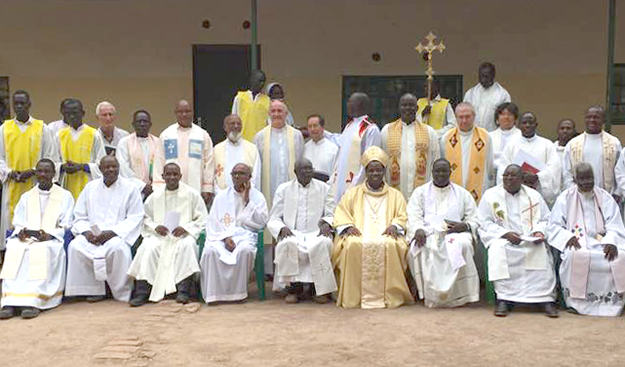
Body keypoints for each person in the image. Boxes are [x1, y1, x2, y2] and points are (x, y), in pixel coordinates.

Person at [331, 146, 413, 308]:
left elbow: (403, 215)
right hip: (359, 232)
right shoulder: (353, 193)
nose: (375, 174)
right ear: (366, 172)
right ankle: (354, 296)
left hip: (387, 233)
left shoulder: (395, 195)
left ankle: (390, 295)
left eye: (378, 170)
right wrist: (347, 227)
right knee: (352, 244)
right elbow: (341, 212)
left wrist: (395, 226)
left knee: (391, 244)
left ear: (384, 172)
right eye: (371, 170)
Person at [478, 165, 558, 317]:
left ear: (522, 179)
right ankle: (504, 300)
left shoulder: (534, 195)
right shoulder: (491, 195)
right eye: (506, 175)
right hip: (503, 239)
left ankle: (545, 299)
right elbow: (484, 222)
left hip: (530, 239)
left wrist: (538, 232)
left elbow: (546, 219)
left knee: (540, 251)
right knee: (499, 250)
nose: (508, 179)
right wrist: (505, 234)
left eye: (513, 176)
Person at [0, 159, 74, 319]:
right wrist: (21, 232)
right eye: (39, 171)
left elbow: (67, 225)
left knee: (41, 250)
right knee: (14, 247)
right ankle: (10, 301)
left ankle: (34, 300)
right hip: (27, 239)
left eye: (47, 171)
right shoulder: (27, 196)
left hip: (50, 240)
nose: (43, 175)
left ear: (54, 174)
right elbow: (18, 222)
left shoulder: (65, 196)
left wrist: (50, 234)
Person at [549, 163, 625, 316]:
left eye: (589, 178)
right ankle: (576, 303)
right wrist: (567, 237)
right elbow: (554, 226)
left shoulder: (604, 196)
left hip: (602, 241)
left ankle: (613, 303)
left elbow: (615, 224)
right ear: (575, 179)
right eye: (581, 179)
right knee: (573, 256)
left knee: (620, 256)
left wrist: (610, 241)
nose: (586, 182)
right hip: (577, 241)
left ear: (594, 177)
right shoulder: (565, 197)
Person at [65, 156, 144, 302]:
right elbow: (80, 215)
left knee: (118, 249)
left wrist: (112, 233)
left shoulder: (130, 188)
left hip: (116, 235)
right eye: (107, 167)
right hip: (92, 236)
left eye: (114, 167)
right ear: (100, 169)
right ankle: (92, 290)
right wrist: (87, 233)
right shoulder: (90, 187)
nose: (111, 170)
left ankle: (119, 291)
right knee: (75, 246)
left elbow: (135, 217)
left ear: (119, 168)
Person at [128, 163, 208, 306]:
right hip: (161, 236)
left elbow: (203, 219)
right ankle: (143, 292)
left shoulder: (192, 194)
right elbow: (145, 218)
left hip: (181, 236)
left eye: (175, 174)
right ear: (163, 176)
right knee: (147, 247)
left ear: (180, 176)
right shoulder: (154, 197)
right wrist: (155, 227)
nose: (172, 177)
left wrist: (186, 228)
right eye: (168, 174)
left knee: (188, 246)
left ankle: (183, 291)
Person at [406, 158, 479, 308]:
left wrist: (464, 225)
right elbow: (413, 216)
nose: (441, 174)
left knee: (463, 244)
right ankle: (428, 294)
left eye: (444, 171)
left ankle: (458, 295)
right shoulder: (420, 193)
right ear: (432, 172)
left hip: (456, 233)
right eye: (437, 171)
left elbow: (474, 219)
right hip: (428, 232)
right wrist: (418, 229)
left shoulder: (462, 194)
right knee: (422, 247)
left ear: (450, 172)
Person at [268, 159, 337, 304]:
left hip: (316, 232)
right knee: (287, 244)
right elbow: (274, 216)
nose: (307, 172)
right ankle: (294, 289)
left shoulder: (324, 188)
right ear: (295, 172)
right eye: (303, 169)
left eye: (309, 168)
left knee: (322, 243)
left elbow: (331, 213)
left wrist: (326, 223)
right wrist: (282, 228)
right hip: (293, 232)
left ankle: (317, 290)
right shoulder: (284, 189)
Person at [200, 163, 268, 304]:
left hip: (246, 237)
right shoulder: (221, 196)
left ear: (249, 177)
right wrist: (225, 238)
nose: (237, 176)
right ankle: (213, 295)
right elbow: (213, 222)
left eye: (241, 173)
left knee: (244, 251)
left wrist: (248, 200)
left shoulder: (257, 196)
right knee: (210, 252)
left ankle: (238, 294)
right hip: (222, 236)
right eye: (234, 173)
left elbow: (262, 222)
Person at [0, 90, 56, 249]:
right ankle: (10, 259)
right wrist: (10, 172)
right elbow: (0, 157)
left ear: (29, 105)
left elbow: (49, 155)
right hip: (12, 183)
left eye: (22, 103)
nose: (19, 106)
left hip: (35, 182)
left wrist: (33, 171)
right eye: (15, 103)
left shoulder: (41, 127)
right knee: (12, 224)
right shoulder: (5, 128)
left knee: (36, 221)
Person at [153, 100, 215, 206]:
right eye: (180, 112)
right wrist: (158, 187)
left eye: (187, 111)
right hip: (171, 187)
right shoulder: (167, 135)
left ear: (192, 112)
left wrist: (207, 187)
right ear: (175, 113)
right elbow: (159, 161)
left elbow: (209, 162)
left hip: (195, 186)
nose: (184, 114)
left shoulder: (202, 135)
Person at [382, 93, 440, 200]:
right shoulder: (387, 130)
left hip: (423, 193)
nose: (407, 108)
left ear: (417, 108)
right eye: (404, 105)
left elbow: (435, 161)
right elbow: (381, 161)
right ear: (399, 108)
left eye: (411, 105)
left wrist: (432, 189)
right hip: (393, 193)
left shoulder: (429, 132)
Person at [498, 112, 561, 206]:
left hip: (539, 192)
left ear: (536, 125)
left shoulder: (547, 144)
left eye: (530, 123)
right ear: (519, 125)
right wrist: (518, 178)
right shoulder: (511, 146)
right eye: (524, 123)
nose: (527, 125)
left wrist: (537, 177)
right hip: (516, 194)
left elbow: (554, 168)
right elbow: (503, 169)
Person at [253, 100, 304, 210]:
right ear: (269, 114)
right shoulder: (260, 136)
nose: (276, 114)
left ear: (286, 114)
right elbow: (257, 165)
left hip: (290, 181)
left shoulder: (296, 135)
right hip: (268, 184)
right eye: (273, 111)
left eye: (280, 111)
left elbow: (300, 160)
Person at [331, 92, 381, 203]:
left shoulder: (371, 129)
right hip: (340, 181)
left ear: (361, 105)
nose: (347, 105)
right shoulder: (349, 126)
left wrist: (355, 185)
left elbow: (370, 161)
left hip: (357, 186)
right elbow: (341, 151)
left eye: (350, 102)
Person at [440, 102, 494, 202]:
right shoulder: (446, 138)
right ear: (455, 118)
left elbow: (490, 166)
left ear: (474, 116)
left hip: (479, 190)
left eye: (467, 116)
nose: (464, 120)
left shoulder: (485, 137)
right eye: (460, 117)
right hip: (452, 190)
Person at [562, 106, 621, 198]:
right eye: (589, 117)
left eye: (596, 117)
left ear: (603, 120)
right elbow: (566, 172)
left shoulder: (614, 143)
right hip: (579, 196)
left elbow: (620, 170)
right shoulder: (573, 144)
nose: (592, 120)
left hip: (607, 196)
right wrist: (573, 191)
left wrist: (617, 193)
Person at [55, 98, 107, 200]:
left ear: (83, 113)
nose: (72, 116)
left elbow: (102, 163)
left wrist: (82, 167)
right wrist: (63, 167)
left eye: (75, 113)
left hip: (88, 184)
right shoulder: (59, 135)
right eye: (68, 114)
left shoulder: (94, 134)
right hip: (66, 184)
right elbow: (54, 162)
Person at [116, 110, 159, 198]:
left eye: (145, 121)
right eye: (139, 121)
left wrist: (154, 186)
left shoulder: (158, 142)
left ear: (150, 124)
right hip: (132, 192)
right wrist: (142, 187)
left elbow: (161, 167)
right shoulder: (124, 142)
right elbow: (123, 169)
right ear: (133, 124)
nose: (142, 124)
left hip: (155, 191)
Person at [213, 114, 261, 192]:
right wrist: (219, 194)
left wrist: (248, 192)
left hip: (246, 195)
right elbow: (212, 176)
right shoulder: (216, 149)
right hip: (222, 196)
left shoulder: (252, 149)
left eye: (238, 124)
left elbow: (256, 176)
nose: (236, 126)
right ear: (225, 127)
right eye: (232, 123)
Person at [463, 62, 511, 132]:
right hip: (473, 136)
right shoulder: (471, 93)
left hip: (494, 136)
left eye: (486, 77)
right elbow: (464, 115)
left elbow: (506, 119)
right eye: (481, 76)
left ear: (493, 76)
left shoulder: (502, 94)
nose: (483, 80)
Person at [233, 70, 270, 141]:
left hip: (260, 142)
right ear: (252, 80)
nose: (262, 84)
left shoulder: (267, 100)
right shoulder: (240, 97)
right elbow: (234, 118)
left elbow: (269, 124)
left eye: (264, 81)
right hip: (242, 141)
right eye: (260, 81)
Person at [489, 102, 521, 175]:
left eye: (509, 114)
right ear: (497, 119)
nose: (506, 117)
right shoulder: (489, 136)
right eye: (502, 114)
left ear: (515, 118)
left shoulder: (521, 136)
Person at [303, 114, 338, 180]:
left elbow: (336, 173)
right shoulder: (304, 148)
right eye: (310, 126)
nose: (312, 129)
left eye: (315, 126)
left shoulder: (333, 149)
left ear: (322, 128)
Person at [553, 119, 576, 193]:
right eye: (562, 128)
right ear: (557, 130)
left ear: (574, 131)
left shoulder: (578, 150)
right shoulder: (550, 150)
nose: (565, 131)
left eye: (568, 128)